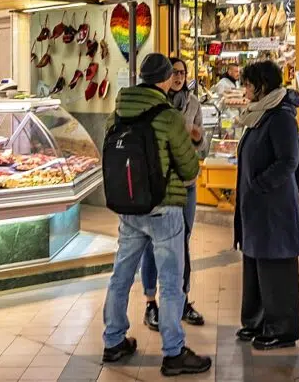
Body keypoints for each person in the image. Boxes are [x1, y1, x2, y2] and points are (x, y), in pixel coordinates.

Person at [101, 53, 212, 377]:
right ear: (164, 79)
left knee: (121, 277)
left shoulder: (118, 112)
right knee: (171, 281)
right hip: (164, 210)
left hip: (129, 209)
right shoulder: (168, 115)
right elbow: (190, 166)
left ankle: (113, 341)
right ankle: (174, 352)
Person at [233, 60, 299, 351]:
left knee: (276, 266)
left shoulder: (281, 116)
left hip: (273, 205)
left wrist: (260, 183)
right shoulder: (258, 114)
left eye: (248, 84)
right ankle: (258, 320)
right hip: (257, 206)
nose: (245, 89)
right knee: (256, 262)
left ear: (262, 85)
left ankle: (282, 328)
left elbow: (289, 160)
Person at [141, 58, 205, 331]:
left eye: (182, 73)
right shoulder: (156, 104)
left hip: (187, 184)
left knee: (183, 245)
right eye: (173, 73)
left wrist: (197, 138)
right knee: (151, 245)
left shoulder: (193, 104)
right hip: (161, 187)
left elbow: (202, 149)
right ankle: (150, 303)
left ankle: (182, 299)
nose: (178, 77)